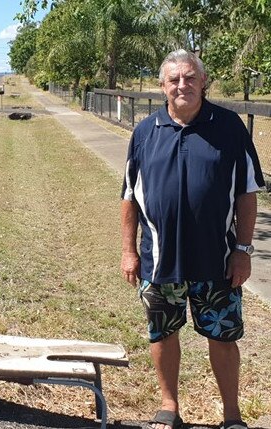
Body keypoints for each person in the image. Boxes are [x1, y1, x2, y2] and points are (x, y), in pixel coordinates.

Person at [121, 49, 265, 429]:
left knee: (222, 336)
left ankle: (232, 416)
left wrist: (243, 251)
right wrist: (128, 252)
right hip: (159, 260)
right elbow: (128, 198)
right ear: (162, 86)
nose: (182, 85)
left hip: (217, 260)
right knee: (163, 333)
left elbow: (246, 194)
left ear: (203, 81)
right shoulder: (144, 132)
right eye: (174, 79)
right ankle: (169, 407)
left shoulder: (230, 127)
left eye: (189, 77)